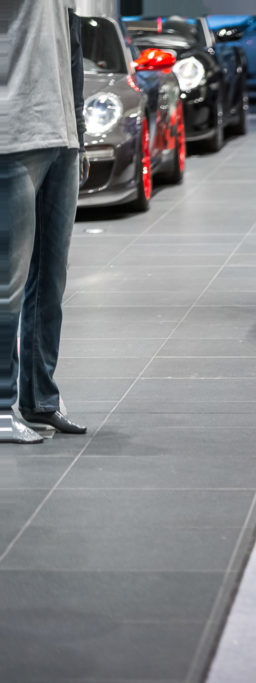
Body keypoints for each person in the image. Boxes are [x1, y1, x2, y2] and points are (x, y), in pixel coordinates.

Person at [0, 0, 88, 444]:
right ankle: (1, 406)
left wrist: (80, 133)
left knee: (50, 277)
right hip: (12, 133)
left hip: (61, 134)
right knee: (7, 283)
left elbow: (71, 40)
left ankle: (40, 399)